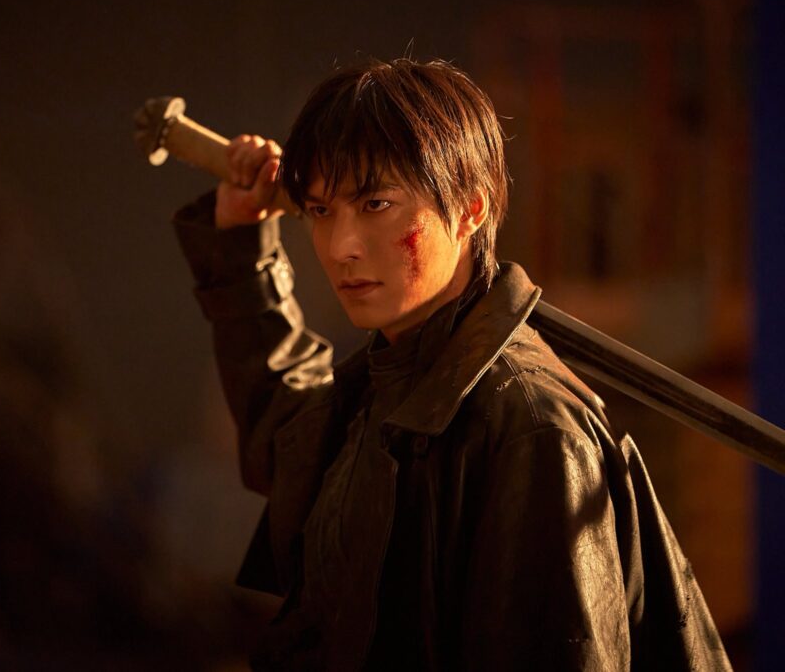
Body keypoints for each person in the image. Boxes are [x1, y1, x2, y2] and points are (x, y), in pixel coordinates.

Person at [172, 58, 731, 671]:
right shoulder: (392, 384)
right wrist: (239, 244)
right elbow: (292, 444)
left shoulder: (533, 431)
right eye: (322, 210)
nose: (341, 247)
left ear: (469, 210)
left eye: (376, 203)